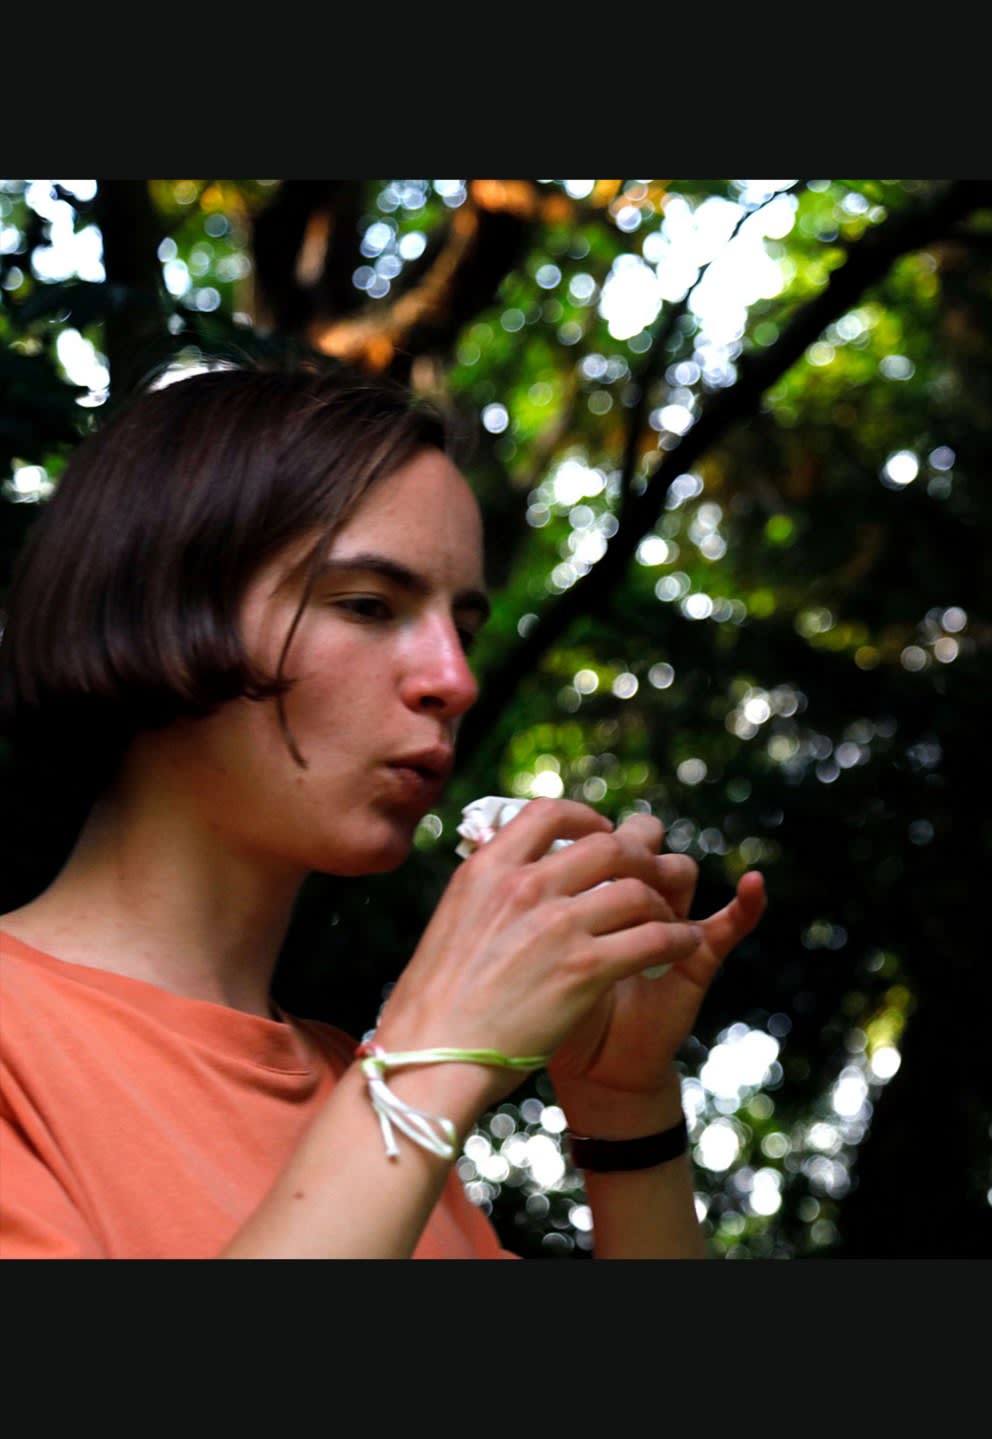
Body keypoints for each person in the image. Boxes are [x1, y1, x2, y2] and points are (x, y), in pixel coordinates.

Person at [0, 360, 766, 1258]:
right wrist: (428, 1055)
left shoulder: (371, 1103)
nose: (455, 679)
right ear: (156, 609)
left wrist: (626, 1105)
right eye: (368, 605)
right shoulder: (401, 1096)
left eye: (464, 630)